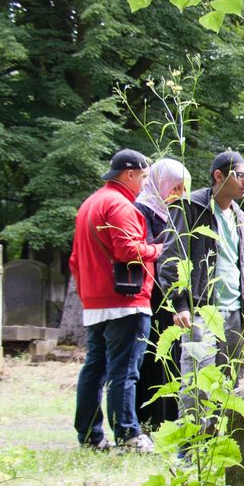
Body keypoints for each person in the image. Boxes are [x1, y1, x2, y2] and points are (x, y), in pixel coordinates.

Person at [70, 149, 164, 450]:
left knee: (94, 370)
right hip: (125, 300)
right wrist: (157, 250)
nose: (145, 184)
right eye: (144, 177)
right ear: (130, 174)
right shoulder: (120, 205)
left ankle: (89, 435)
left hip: (95, 301)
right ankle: (128, 434)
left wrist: (88, 291)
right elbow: (128, 251)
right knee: (125, 371)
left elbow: (74, 259)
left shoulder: (89, 203)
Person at [164, 151, 244, 410]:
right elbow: (174, 257)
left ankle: (216, 442)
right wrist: (180, 304)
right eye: (240, 175)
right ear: (219, 176)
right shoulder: (190, 207)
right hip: (200, 309)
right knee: (197, 379)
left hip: (234, 312)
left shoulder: (241, 217)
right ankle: (189, 448)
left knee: (228, 383)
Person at [133, 157, 189, 431]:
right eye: (175, 187)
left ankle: (169, 418)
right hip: (151, 294)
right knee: (153, 356)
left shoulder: (177, 212)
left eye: (183, 188)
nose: (179, 194)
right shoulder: (142, 210)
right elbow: (147, 248)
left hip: (173, 293)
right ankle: (148, 419)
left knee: (174, 356)